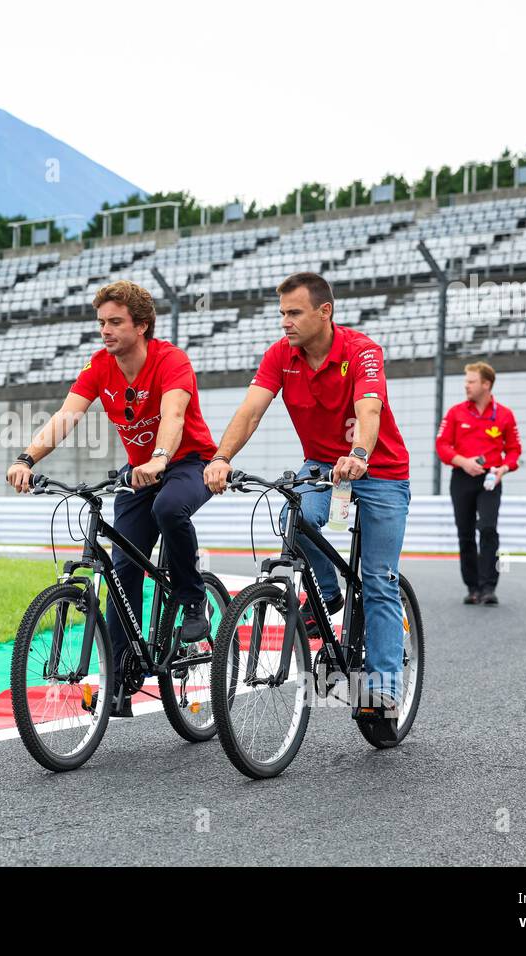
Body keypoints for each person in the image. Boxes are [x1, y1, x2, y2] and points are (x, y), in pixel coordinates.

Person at [203, 271, 410, 732]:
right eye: (281, 313)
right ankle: (326, 600)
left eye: (294, 313)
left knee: (377, 580)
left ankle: (382, 692)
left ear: (325, 312)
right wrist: (221, 457)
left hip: (381, 471)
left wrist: (359, 454)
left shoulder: (362, 351)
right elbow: (251, 410)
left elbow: (369, 409)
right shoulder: (281, 355)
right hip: (321, 466)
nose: (285, 322)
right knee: (293, 515)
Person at [6, 279, 217, 717]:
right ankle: (119, 682)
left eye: (115, 322)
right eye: (101, 322)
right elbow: (66, 417)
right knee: (120, 571)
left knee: (169, 507)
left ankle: (192, 597)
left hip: (186, 462)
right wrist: (26, 458)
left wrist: (160, 458)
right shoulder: (100, 366)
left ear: (141, 325)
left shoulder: (171, 360)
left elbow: (174, 415)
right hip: (137, 474)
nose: (105, 330)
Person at [436, 361, 522, 606]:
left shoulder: (504, 414)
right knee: (465, 534)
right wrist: (463, 462)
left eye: (471, 381)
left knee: (487, 528)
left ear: (486, 384)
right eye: (466, 381)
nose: (466, 386)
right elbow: (442, 445)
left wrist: (503, 469)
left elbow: (515, 450)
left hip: (490, 479)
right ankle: (472, 587)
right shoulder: (455, 412)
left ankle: (488, 586)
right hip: (462, 478)